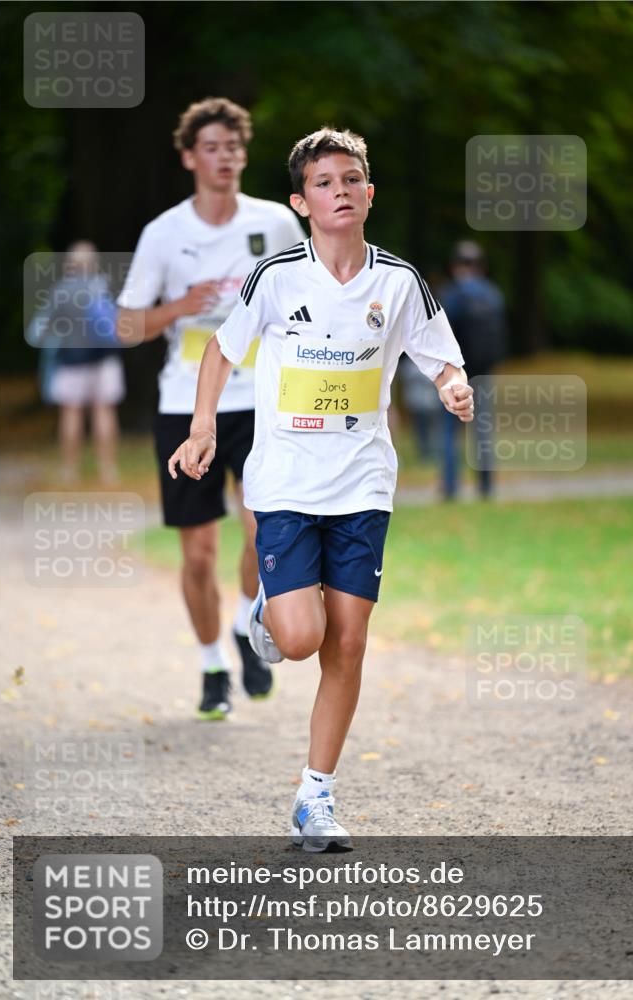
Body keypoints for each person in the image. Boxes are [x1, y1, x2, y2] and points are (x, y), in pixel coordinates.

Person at [168, 127, 473, 851]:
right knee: (301, 639)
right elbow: (219, 348)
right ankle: (269, 615)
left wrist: (456, 388)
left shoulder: (397, 281)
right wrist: (204, 426)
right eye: (324, 183)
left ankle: (315, 796)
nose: (339, 192)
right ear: (302, 202)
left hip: (362, 484)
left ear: (369, 193)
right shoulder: (277, 276)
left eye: (350, 180)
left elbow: (441, 361)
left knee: (350, 643)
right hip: (284, 484)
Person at [116, 97, 305, 721]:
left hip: (262, 400)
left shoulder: (277, 223)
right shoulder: (164, 233)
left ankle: (248, 621)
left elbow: (309, 297)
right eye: (214, 148)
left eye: (235, 147)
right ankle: (211, 665)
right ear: (190, 157)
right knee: (198, 553)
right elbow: (126, 326)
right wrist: (182, 306)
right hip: (183, 404)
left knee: (260, 530)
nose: (226, 157)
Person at [27, 241, 125, 485]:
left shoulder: (61, 291)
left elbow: (37, 331)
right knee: (104, 412)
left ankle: (70, 470)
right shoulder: (105, 287)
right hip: (105, 359)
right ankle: (108, 469)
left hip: (70, 359)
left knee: (71, 413)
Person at [439, 240, 507, 499]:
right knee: (483, 429)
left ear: (455, 265)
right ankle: (486, 486)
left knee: (448, 431)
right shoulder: (493, 294)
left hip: (455, 373)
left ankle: (450, 487)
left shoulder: (451, 294)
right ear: (480, 265)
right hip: (484, 372)